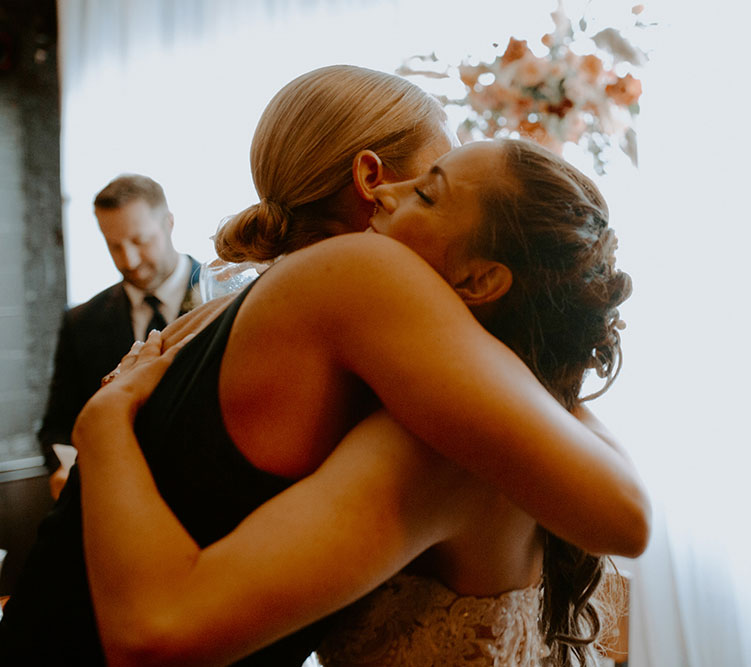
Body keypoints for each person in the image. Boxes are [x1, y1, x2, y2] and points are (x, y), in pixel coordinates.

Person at [0, 66, 648, 666]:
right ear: (369, 179)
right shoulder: (364, 271)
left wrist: (104, 423)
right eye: (433, 172)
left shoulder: (265, 299)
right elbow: (621, 512)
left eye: (428, 191)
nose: (401, 195)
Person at [38, 174, 201, 499]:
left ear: (168, 223)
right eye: (114, 246)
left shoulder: (223, 296)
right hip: (119, 499)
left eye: (140, 240)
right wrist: (65, 466)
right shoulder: (81, 321)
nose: (129, 260)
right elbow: (57, 426)